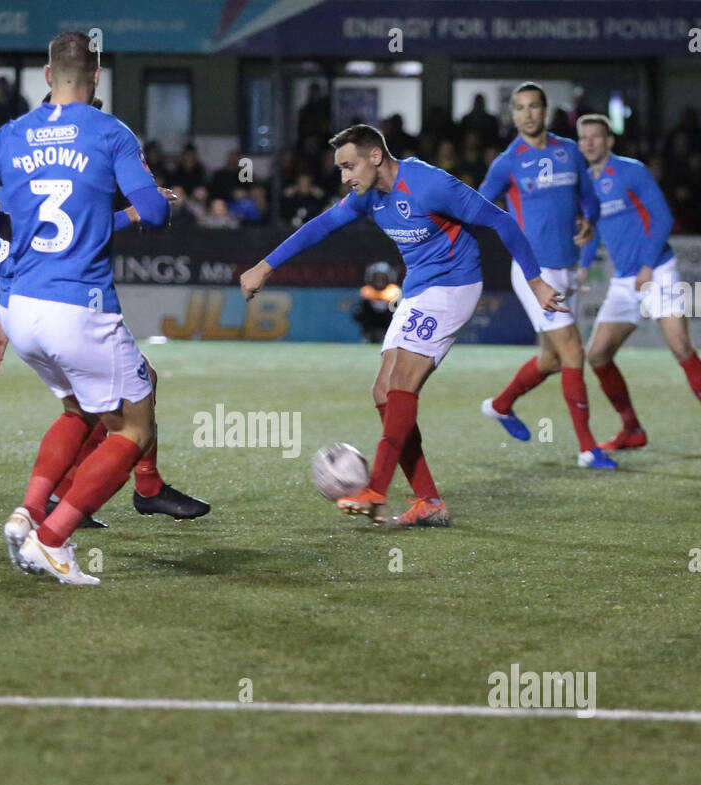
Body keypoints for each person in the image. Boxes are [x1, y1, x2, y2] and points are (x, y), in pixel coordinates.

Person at [239, 123, 560, 526]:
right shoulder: (365, 196)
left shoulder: (430, 184)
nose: (344, 178)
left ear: (375, 156)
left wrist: (535, 281)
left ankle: (376, 490)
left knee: (402, 384)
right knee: (383, 392)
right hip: (418, 290)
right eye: (340, 169)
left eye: (348, 166)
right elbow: (319, 227)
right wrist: (264, 267)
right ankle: (428, 500)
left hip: (454, 286)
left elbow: (502, 222)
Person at [0, 31, 173, 585]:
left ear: (47, 77)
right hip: (80, 307)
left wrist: (2, 222)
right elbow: (155, 213)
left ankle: (29, 511)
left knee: (78, 411)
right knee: (135, 429)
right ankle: (52, 538)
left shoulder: (8, 135)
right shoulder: (110, 131)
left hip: (19, 305)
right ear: (96, 79)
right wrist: (144, 200)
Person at [0, 184, 209, 558]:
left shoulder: (9, 172)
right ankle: (61, 529)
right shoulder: (59, 163)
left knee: (86, 407)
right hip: (64, 302)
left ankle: (41, 505)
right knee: (132, 414)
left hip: (17, 305)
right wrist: (135, 210)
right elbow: (76, 229)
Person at [575, 115, 701, 453]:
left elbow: (662, 217)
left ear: (609, 141)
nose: (588, 143)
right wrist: (584, 268)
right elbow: (594, 229)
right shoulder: (586, 182)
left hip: (658, 269)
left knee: (679, 346)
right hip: (623, 279)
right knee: (598, 355)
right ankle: (632, 429)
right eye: (582, 138)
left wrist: (647, 266)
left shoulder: (632, 171)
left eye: (595, 137)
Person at [476, 82, 615, 469]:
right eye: (519, 108)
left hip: (566, 266)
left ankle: (500, 406)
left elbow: (588, 196)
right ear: (513, 114)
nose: (527, 114)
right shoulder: (508, 161)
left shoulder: (568, 151)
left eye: (533, 106)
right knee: (574, 351)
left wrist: (589, 218)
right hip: (533, 271)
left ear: (545, 110)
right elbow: (480, 205)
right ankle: (588, 448)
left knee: (552, 359)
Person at [352, 262, 400, 343]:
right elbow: (357, 315)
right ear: (371, 278)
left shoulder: (394, 292)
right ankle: (367, 337)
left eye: (383, 278)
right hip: (370, 327)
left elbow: (398, 315)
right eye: (376, 277)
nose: (379, 280)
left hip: (388, 327)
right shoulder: (366, 292)